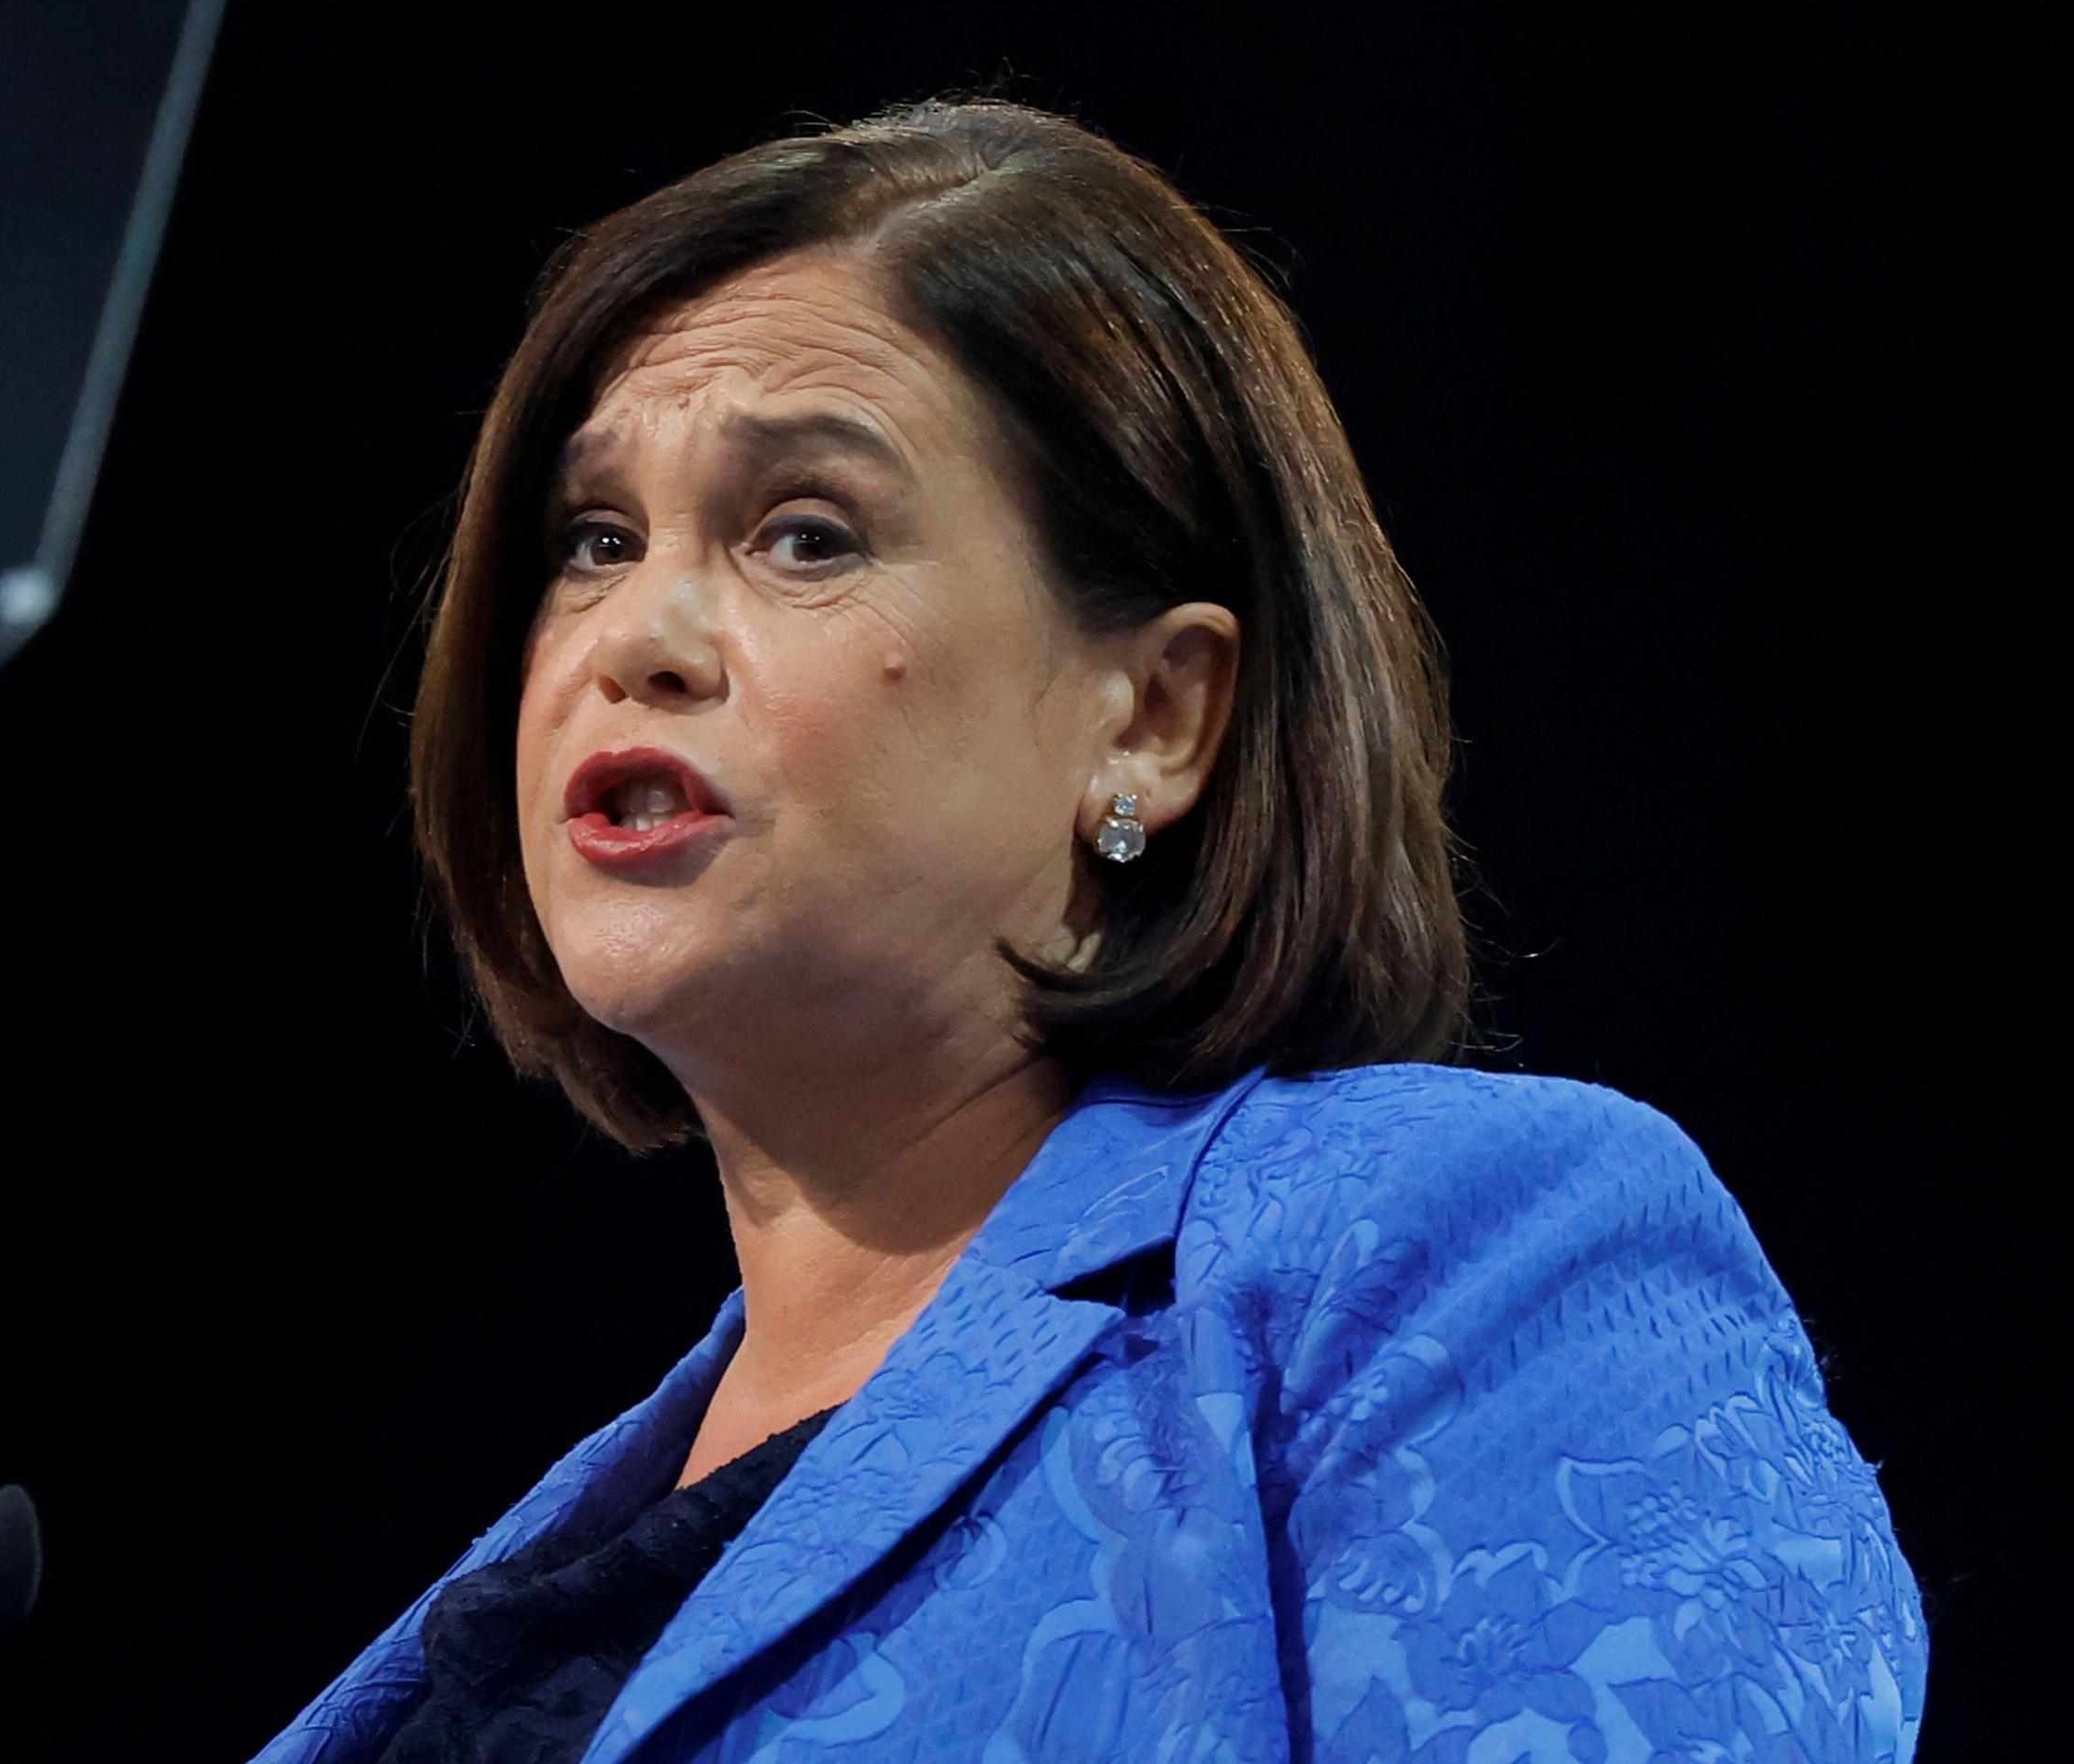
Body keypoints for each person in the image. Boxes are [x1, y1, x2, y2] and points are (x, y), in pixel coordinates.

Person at [252, 100, 1925, 1763]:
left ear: (1154, 721)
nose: (641, 635)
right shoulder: (536, 1579)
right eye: (595, 542)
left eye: (805, 536)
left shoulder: (1446, 1249)